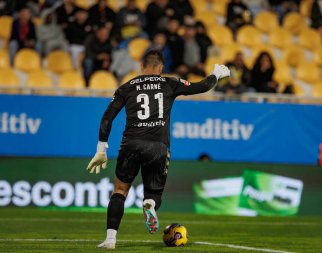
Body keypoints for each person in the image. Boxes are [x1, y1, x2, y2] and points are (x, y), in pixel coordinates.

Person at [86, 50, 230, 249]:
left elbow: (106, 118)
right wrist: (216, 74)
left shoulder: (126, 87)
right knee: (153, 193)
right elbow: (202, 86)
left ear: (141, 66)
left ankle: (110, 240)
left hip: (131, 144)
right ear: (161, 68)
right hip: (158, 147)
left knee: (120, 190)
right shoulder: (170, 83)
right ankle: (151, 204)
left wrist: (101, 148)